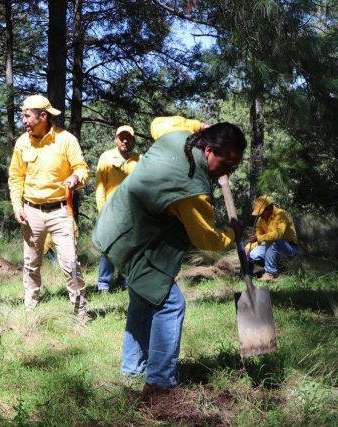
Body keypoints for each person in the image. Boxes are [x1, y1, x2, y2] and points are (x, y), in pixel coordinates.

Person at [92, 115, 246, 394]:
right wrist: (233, 232)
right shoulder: (192, 191)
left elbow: (156, 124)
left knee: (143, 297)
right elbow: (207, 240)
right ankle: (160, 384)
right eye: (224, 165)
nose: (225, 174)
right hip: (133, 241)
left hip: (114, 224)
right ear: (208, 150)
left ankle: (133, 368)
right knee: (169, 304)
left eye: (233, 168)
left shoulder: (177, 136)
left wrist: (198, 125)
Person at [8, 95, 90, 319]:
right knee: (31, 264)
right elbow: (15, 177)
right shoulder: (22, 143)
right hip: (31, 211)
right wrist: (17, 206)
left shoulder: (66, 140)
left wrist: (75, 178)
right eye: (22, 115)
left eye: (26, 115)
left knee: (70, 262)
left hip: (62, 211)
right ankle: (30, 310)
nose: (23, 120)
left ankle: (80, 311)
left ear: (42, 116)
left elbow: (82, 168)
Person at [94, 125, 141, 292]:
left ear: (133, 140)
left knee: (130, 249)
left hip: (133, 213)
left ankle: (126, 282)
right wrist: (103, 212)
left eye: (128, 138)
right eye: (122, 138)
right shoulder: (106, 157)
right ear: (116, 139)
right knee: (109, 248)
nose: (125, 141)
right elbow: (100, 187)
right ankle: (103, 285)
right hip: (111, 213)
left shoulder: (140, 159)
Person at [245, 195, 298, 281]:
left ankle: (270, 273)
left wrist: (258, 238)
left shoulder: (282, 215)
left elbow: (278, 235)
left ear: (269, 208)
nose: (260, 215)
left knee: (273, 240)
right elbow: (259, 238)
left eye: (261, 212)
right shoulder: (260, 221)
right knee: (253, 254)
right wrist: (248, 247)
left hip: (289, 249)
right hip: (272, 248)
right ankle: (278, 267)